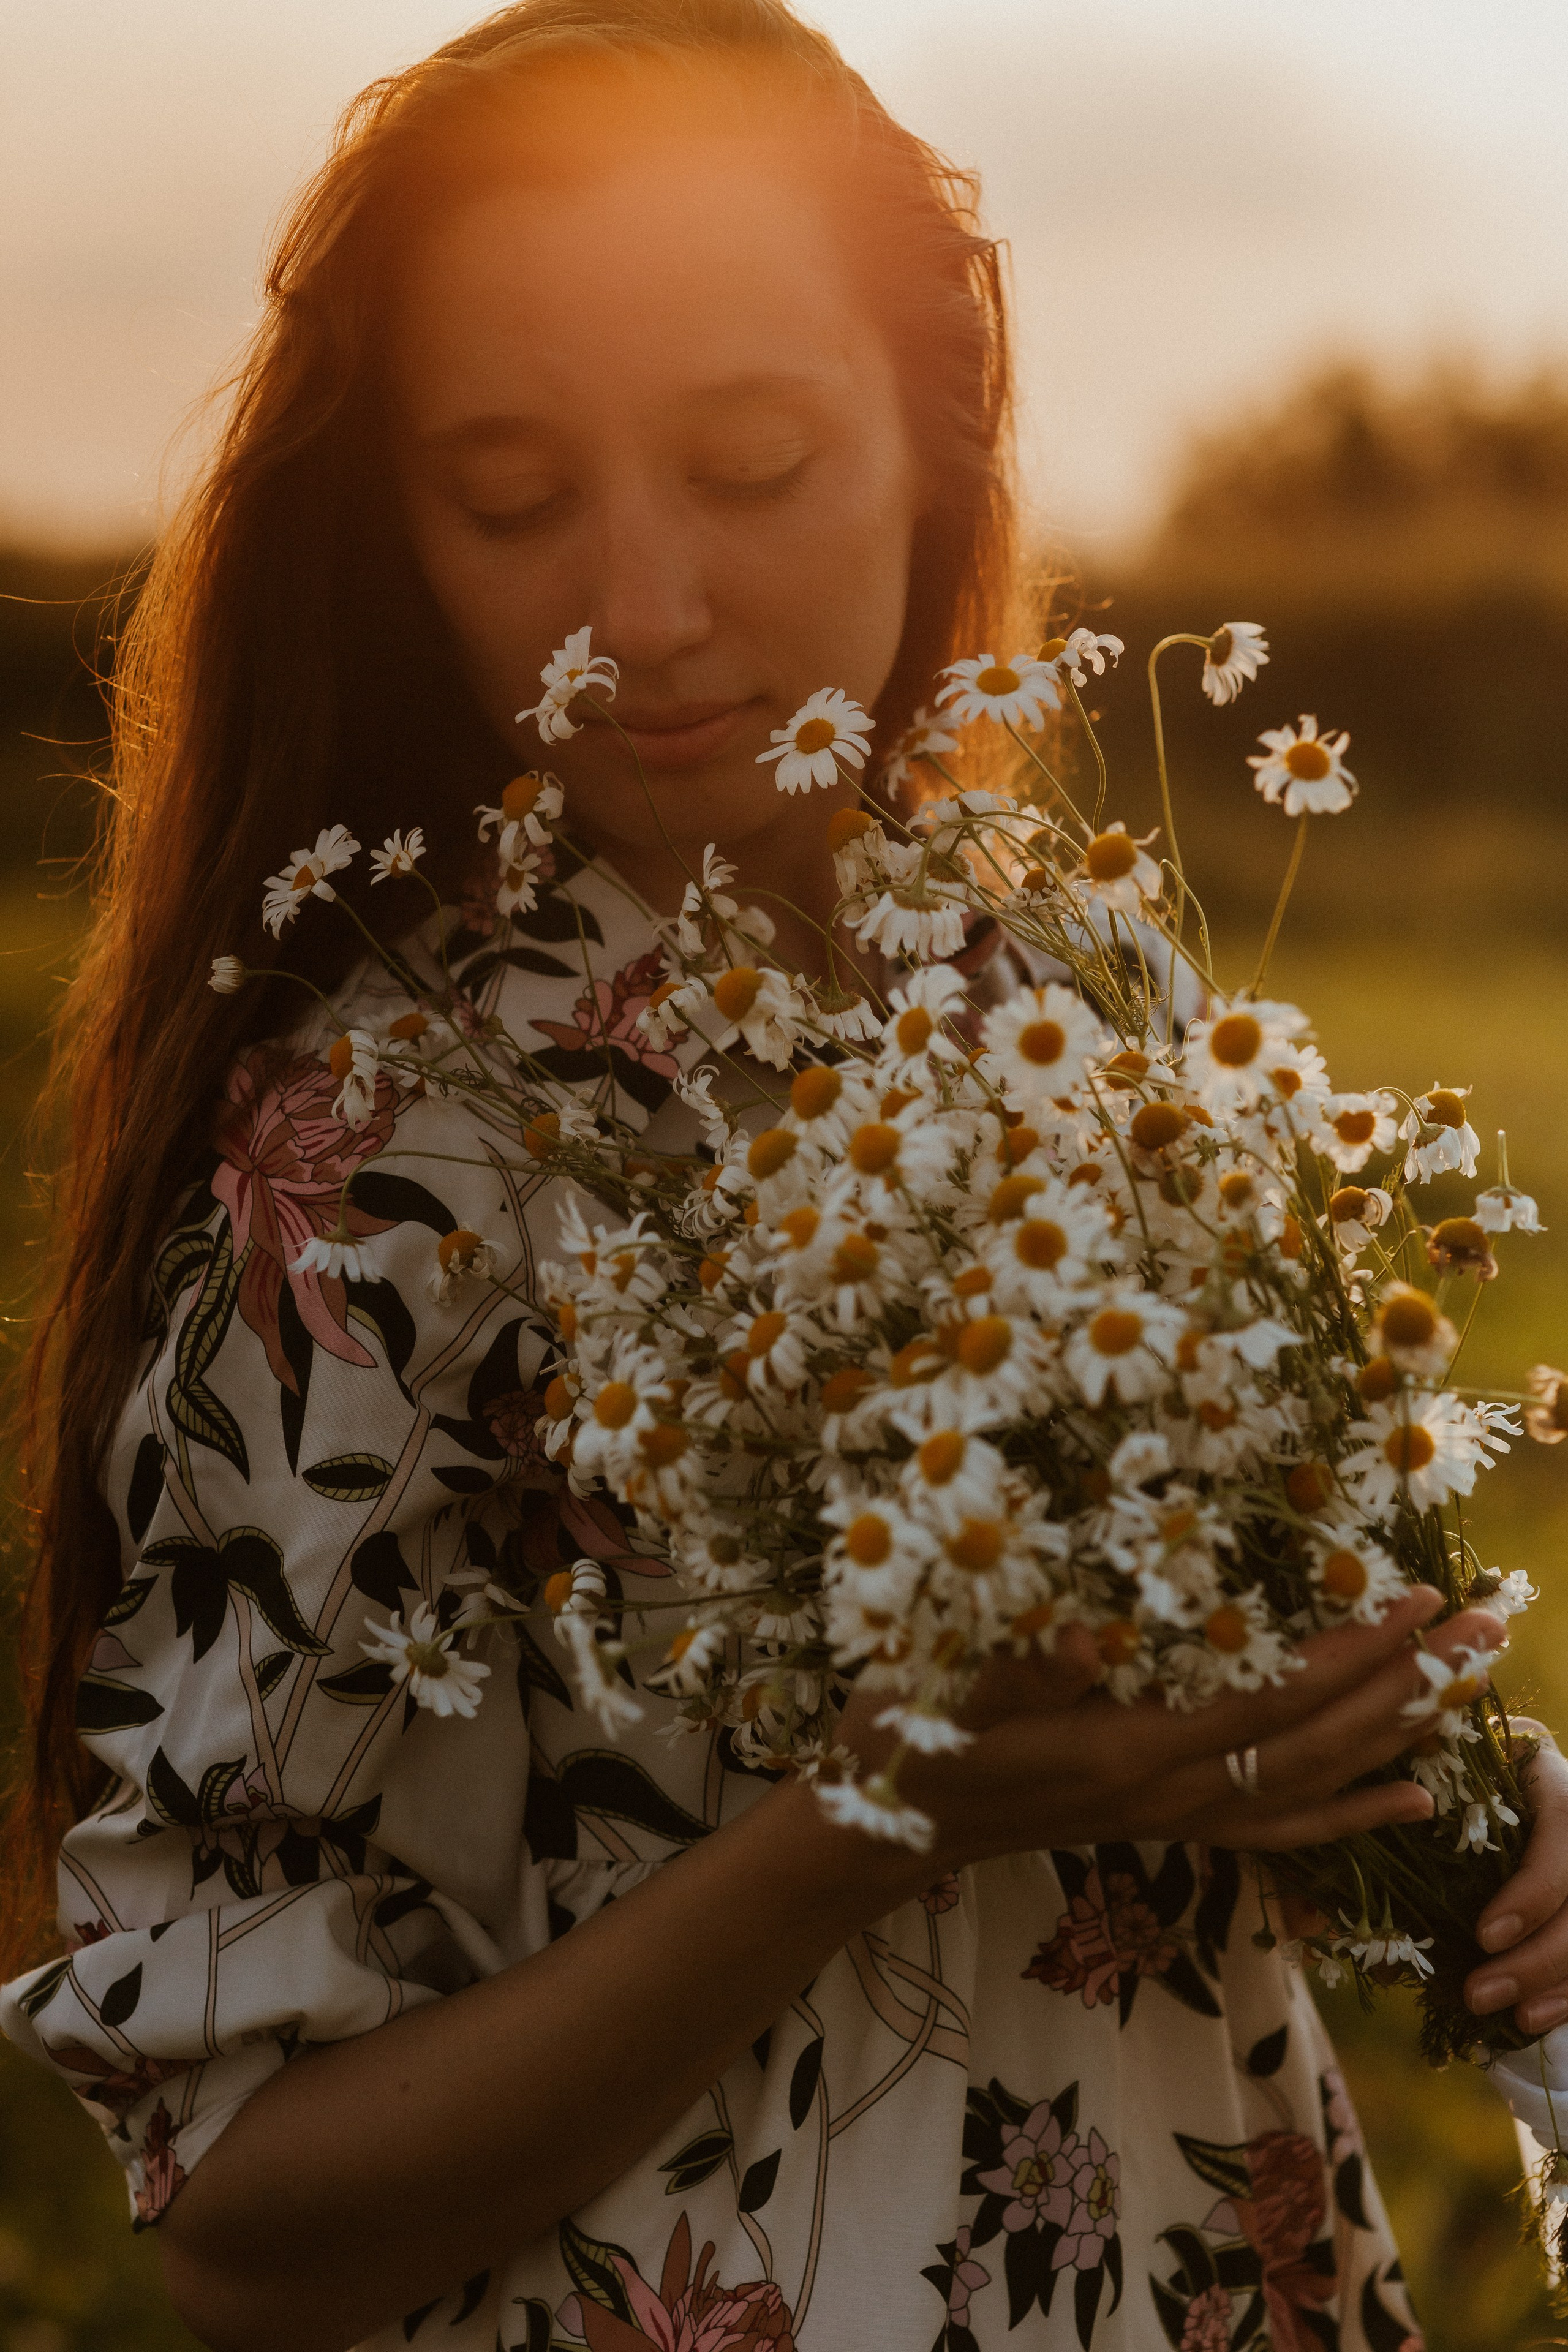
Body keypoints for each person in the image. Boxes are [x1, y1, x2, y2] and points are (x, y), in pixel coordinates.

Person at [4, 7, 1568, 2348]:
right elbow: (236, 2211)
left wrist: (1464, 1809)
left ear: (939, 444)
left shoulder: (1067, 966)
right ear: (396, 526)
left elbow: (1196, 1670)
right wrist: (868, 1824)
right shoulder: (374, 1164)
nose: (639, 606)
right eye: (514, 499)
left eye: (751, 461)